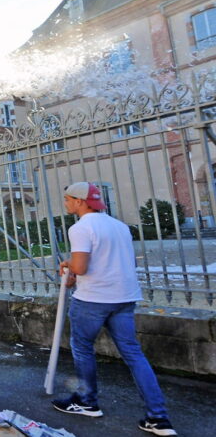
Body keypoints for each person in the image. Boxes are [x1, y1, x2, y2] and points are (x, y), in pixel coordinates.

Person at [52, 182, 176, 436]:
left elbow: (81, 266)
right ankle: (158, 417)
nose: (66, 204)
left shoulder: (80, 228)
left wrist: (68, 264)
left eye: (68, 199)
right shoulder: (119, 226)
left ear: (80, 201)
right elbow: (122, 261)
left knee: (83, 349)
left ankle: (87, 402)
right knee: (133, 355)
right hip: (124, 297)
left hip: (93, 299)